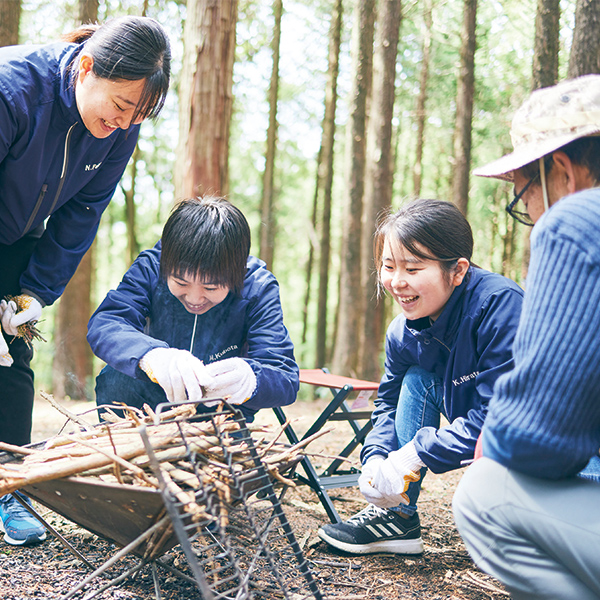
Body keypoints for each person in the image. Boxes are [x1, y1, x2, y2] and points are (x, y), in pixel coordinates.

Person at [0, 15, 171, 545]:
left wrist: (32, 293)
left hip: (16, 237)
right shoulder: (12, 90)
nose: (123, 124)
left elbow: (83, 213)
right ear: (87, 68)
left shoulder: (122, 129)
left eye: (137, 115)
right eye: (120, 106)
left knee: (9, 354)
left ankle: (9, 491)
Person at [453, 75, 600, 599]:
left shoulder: (579, 218)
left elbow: (539, 438)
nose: (531, 214)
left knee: (484, 494)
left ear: (560, 170)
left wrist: (490, 444)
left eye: (524, 195)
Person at [318, 199, 524, 555]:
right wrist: (378, 456)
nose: (396, 282)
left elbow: (503, 416)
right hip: (474, 423)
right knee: (415, 379)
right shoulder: (402, 332)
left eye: (412, 269)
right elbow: (388, 400)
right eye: (388, 266)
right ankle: (395, 515)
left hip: (530, 444)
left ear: (458, 271)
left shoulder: (499, 306)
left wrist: (415, 453)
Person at [87, 196, 299, 425]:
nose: (195, 298)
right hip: (141, 412)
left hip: (217, 416)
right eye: (181, 283)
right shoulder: (150, 267)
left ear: (237, 273)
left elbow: (284, 375)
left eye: (211, 287)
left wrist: (250, 379)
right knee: (116, 375)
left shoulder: (257, 286)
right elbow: (107, 323)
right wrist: (153, 356)